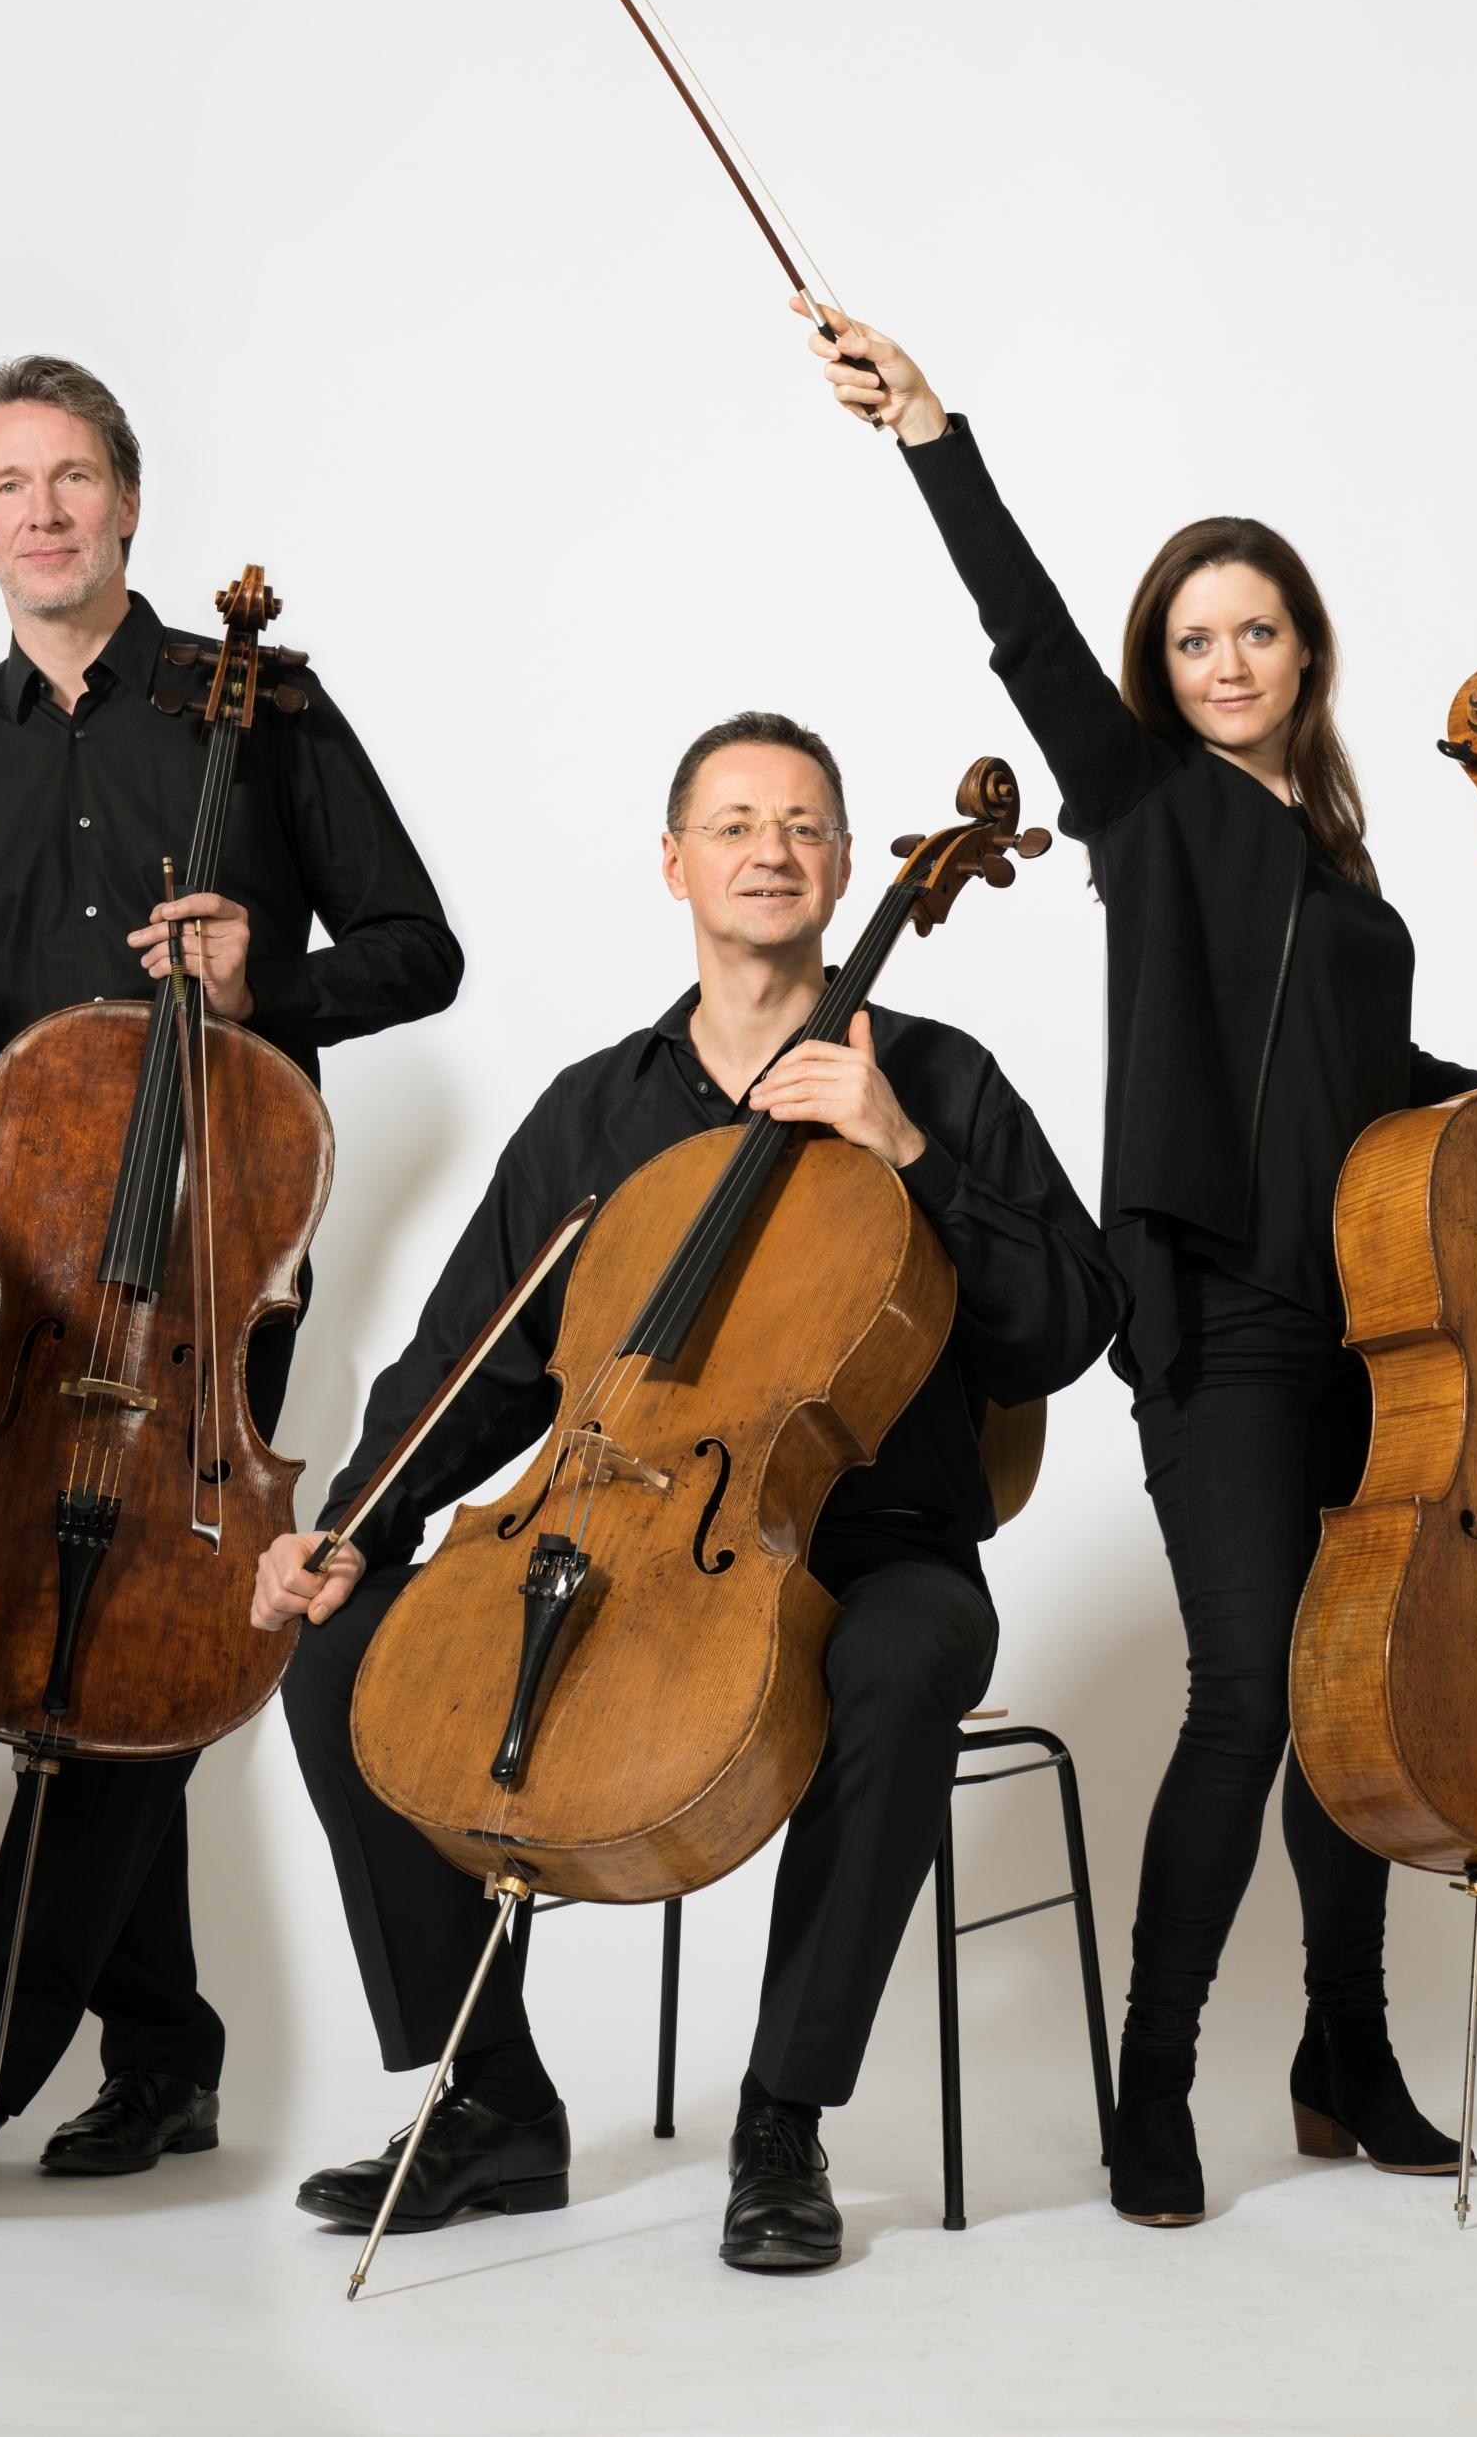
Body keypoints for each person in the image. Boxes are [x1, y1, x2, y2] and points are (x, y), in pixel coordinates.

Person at [809, 299, 1477, 2222]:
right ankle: (1150, 2086)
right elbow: (1024, 631)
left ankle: (1344, 2059)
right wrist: (934, 433)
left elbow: (1352, 1086)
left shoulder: (1343, 865)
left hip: (1368, 1330)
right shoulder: (1149, 812)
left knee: (1354, 1695)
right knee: (1248, 1689)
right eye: (1193, 640)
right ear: (1163, 672)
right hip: (1219, 1322)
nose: (1227, 662)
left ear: (1305, 649)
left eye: (1255, 632)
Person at [258, 712, 1126, 2276]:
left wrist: (908, 1152)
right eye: (734, 825)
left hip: (880, 1548)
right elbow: (473, 1361)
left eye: (801, 826)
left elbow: (1070, 1323)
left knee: (901, 1661)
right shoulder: (599, 1110)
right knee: (340, 1653)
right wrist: (353, 1525)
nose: (769, 852)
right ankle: (488, 2098)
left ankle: (782, 2120)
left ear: (845, 866)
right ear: (676, 865)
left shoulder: (939, 1078)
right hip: (623, 1539)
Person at [0, 353, 468, 2189]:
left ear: (126, 501)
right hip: (21, 1292)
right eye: (8, 485)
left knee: (145, 1645)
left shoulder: (264, 704)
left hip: (216, 1271)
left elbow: (420, 947)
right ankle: (169, 2053)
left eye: (74, 476)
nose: (44, 511)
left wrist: (273, 982)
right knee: (79, 1654)